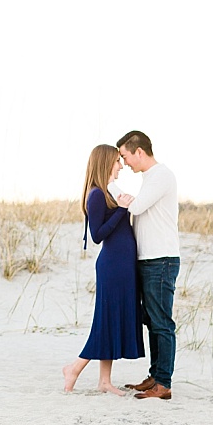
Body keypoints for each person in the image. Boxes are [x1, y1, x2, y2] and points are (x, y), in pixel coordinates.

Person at [63, 144, 145, 395]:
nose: (121, 165)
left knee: (110, 321)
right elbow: (97, 235)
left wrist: (121, 207)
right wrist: (121, 210)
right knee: (105, 321)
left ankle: (104, 381)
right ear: (106, 162)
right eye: (117, 161)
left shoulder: (109, 191)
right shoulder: (97, 194)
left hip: (123, 266)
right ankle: (74, 368)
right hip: (113, 266)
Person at [115, 130, 180, 400]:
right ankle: (155, 375)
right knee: (152, 320)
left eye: (125, 156)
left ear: (139, 151)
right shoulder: (150, 178)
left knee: (161, 322)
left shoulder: (162, 175)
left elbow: (137, 207)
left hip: (161, 259)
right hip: (149, 259)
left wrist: (111, 187)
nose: (125, 163)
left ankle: (163, 383)